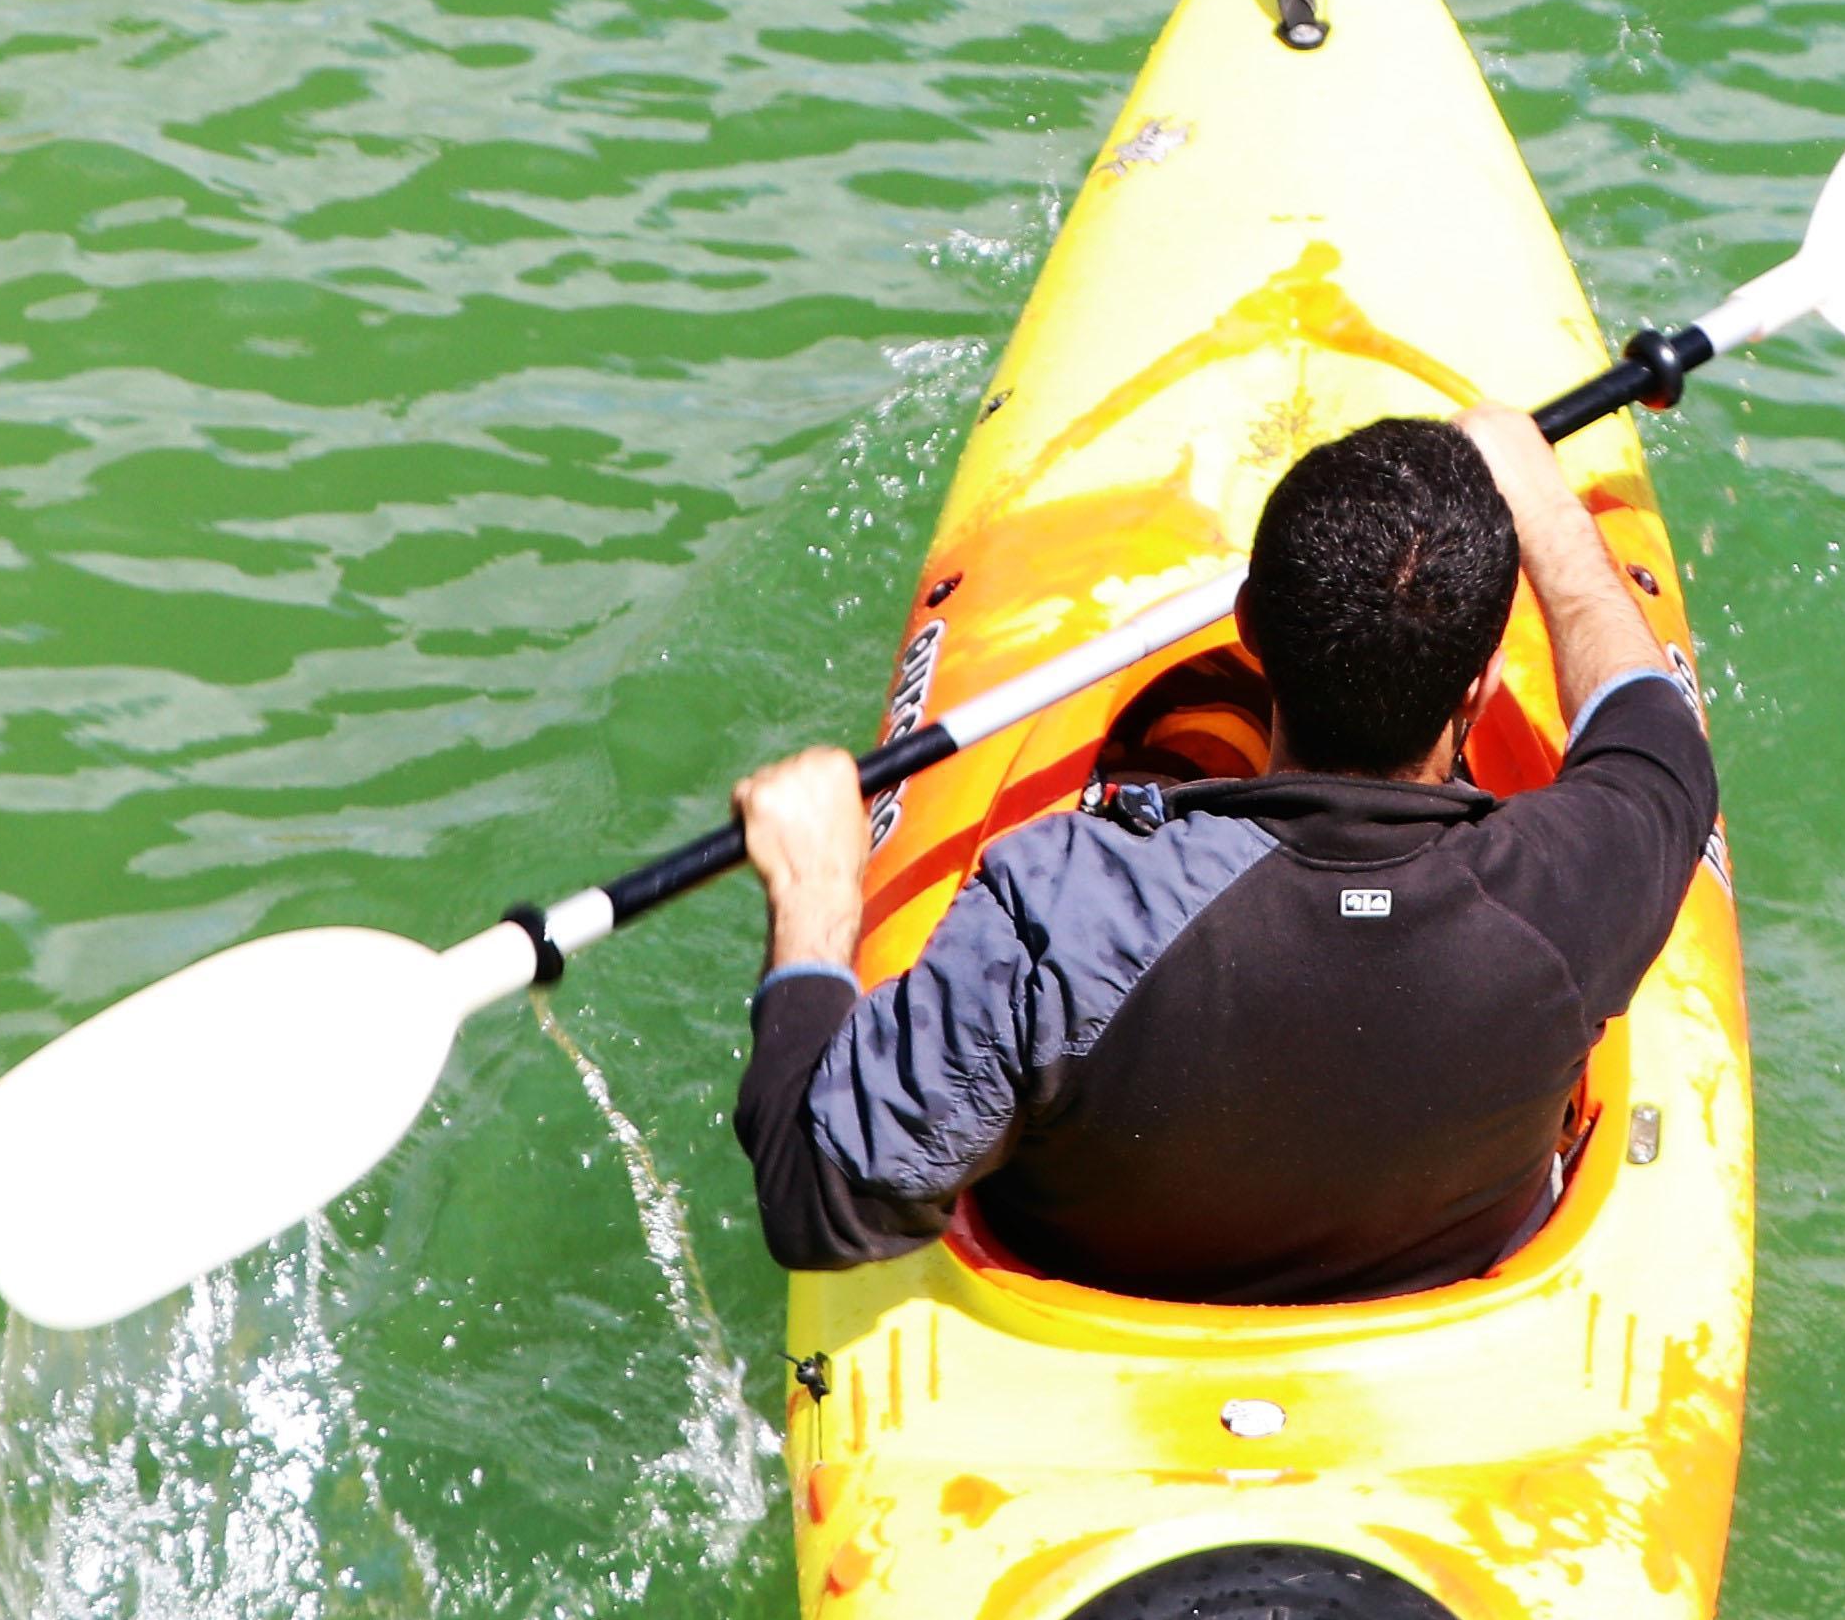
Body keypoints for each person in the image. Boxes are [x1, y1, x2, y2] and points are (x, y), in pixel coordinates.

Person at [725, 407, 1714, 1305]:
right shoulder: (1582, 884)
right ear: (1485, 683)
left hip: (1096, 1319)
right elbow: (1654, 729)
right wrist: (1542, 502)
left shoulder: (1066, 909)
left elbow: (816, 1201)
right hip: (1440, 1326)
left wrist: (814, 890)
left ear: (1246, 630)